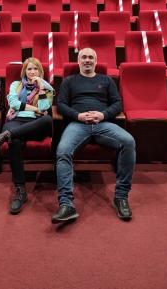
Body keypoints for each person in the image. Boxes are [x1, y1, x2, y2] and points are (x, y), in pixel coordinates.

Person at [53, 48, 136, 223]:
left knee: (128, 141)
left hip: (102, 125)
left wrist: (103, 115)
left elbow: (117, 104)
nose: (87, 60)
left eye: (91, 57)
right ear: (78, 61)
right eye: (84, 57)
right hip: (77, 124)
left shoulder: (106, 80)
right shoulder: (69, 81)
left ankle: (121, 196)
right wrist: (78, 116)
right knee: (63, 150)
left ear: (96, 61)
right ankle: (66, 204)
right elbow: (60, 105)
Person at [0, 58, 54, 214]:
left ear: (40, 72)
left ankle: (4, 136)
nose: (32, 72)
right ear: (24, 71)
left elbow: (44, 108)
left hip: (36, 124)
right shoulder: (15, 85)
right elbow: (14, 104)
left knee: (47, 119)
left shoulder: (47, 88)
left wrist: (41, 89)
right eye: (29, 69)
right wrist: (35, 109)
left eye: (35, 69)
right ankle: (20, 190)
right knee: (15, 141)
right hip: (16, 120)